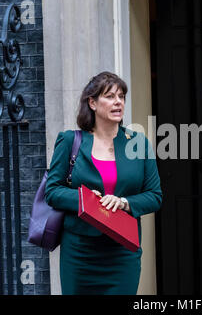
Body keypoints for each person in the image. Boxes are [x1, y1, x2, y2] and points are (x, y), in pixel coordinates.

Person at [45, 71, 162, 295]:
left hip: (122, 253)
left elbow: (155, 196)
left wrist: (124, 202)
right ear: (92, 102)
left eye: (122, 96)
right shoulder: (70, 140)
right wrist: (87, 200)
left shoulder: (138, 142)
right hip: (79, 253)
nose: (118, 102)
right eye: (109, 96)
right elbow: (53, 191)